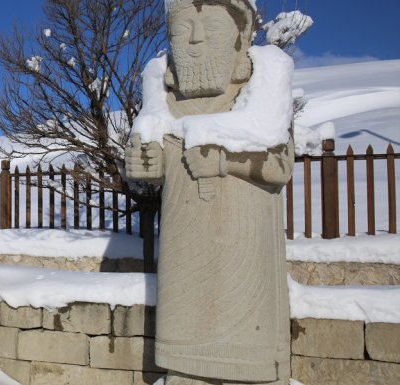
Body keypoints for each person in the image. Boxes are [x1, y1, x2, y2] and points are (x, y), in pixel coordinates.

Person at [125, 0, 294, 384]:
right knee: (183, 359)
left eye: (212, 28)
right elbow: (159, 159)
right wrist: (146, 165)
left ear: (241, 34)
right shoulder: (164, 94)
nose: (195, 40)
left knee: (246, 350)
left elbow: (280, 166)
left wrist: (223, 162)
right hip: (184, 244)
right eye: (182, 29)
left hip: (244, 247)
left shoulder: (264, 84)